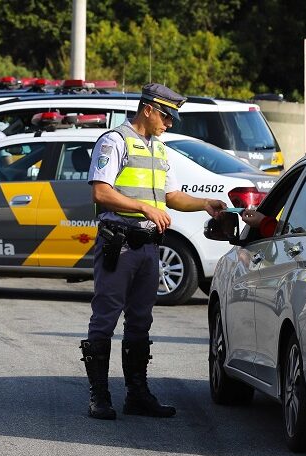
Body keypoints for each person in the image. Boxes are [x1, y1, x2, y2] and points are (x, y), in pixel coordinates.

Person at [80, 83, 227, 420]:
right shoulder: (114, 141)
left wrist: (205, 204)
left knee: (140, 321)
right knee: (105, 318)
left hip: (148, 248)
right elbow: (101, 193)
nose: (170, 123)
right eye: (166, 116)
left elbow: (171, 196)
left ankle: (137, 394)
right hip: (119, 243)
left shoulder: (159, 150)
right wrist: (143, 208)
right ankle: (99, 398)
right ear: (148, 109)